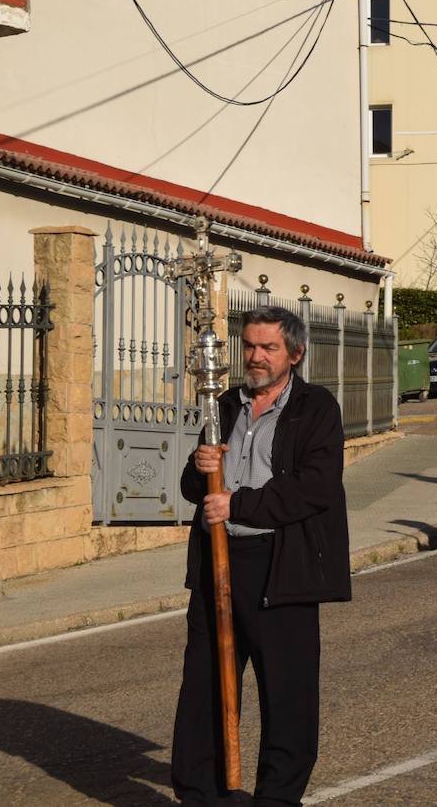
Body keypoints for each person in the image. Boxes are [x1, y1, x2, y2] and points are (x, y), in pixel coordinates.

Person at [172, 306, 349, 805]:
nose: (255, 356)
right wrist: (200, 466)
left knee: (287, 697)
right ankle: (201, 795)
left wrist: (239, 502)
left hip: (283, 566)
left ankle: (275, 798)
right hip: (219, 561)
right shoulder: (223, 404)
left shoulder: (315, 408)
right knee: (205, 688)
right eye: (249, 346)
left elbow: (314, 489)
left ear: (295, 354)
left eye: (268, 348)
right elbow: (195, 487)